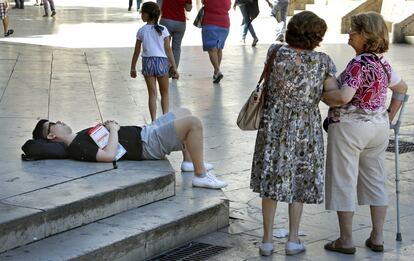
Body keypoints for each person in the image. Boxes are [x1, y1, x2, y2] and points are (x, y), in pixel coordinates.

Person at [250, 11, 338, 256]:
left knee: (271, 179)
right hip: (305, 126)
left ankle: (267, 240)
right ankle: (293, 239)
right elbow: (334, 95)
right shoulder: (323, 61)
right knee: (298, 180)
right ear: (316, 36)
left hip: (274, 124)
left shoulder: (274, 52)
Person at [322, 11, 408, 255]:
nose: (349, 34)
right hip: (377, 130)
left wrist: (323, 96)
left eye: (354, 31)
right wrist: (388, 116)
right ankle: (377, 237)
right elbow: (401, 88)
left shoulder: (358, 64)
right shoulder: (382, 62)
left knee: (343, 180)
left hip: (350, 128)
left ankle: (346, 240)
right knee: (376, 180)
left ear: (366, 35)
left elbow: (343, 97)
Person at [32, 108, 227, 189]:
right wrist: (114, 130)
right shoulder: (76, 147)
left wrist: (107, 126)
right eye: (53, 124)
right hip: (146, 144)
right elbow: (109, 155)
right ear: (51, 135)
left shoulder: (78, 138)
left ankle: (189, 162)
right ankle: (201, 176)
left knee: (184, 111)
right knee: (193, 123)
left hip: (145, 132)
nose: (59, 121)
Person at [130, 2, 178, 122]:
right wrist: (174, 67)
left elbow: (136, 51)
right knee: (165, 93)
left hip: (148, 63)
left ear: (147, 15)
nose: (141, 15)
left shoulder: (141, 31)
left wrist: (133, 67)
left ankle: (153, 121)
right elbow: (168, 49)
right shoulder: (164, 30)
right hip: (162, 62)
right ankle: (166, 119)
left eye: (142, 13)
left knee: (152, 94)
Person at [201, 0, 231, 84]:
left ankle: (217, 71)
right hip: (224, 24)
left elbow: (203, 2)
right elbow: (228, 7)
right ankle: (216, 72)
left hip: (210, 22)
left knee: (212, 49)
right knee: (219, 49)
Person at [160, 0, 192, 78]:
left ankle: (166, 69)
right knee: (176, 48)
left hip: (166, 20)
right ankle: (174, 71)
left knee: (165, 46)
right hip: (180, 22)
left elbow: (159, 4)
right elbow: (188, 8)